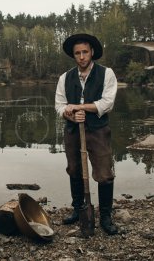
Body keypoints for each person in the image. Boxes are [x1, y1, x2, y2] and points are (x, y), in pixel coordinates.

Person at [55, 33, 118, 235]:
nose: (81, 57)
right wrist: (70, 115)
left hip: (98, 130)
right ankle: (78, 209)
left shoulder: (106, 74)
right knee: (74, 169)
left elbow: (107, 103)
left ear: (92, 52)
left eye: (84, 52)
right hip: (73, 130)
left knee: (104, 173)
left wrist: (81, 107)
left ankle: (106, 217)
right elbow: (59, 105)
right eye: (77, 53)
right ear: (74, 56)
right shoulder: (65, 78)